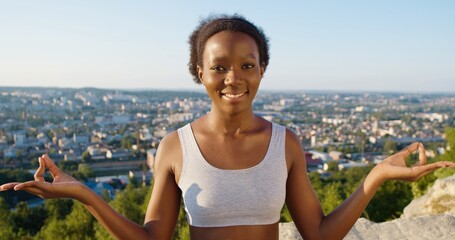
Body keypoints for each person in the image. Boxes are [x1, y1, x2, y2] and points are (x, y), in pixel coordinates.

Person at [1, 14, 454, 240]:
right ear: (199, 72)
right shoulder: (174, 147)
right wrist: (84, 192)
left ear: (262, 71)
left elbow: (316, 234)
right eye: (219, 67)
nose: (234, 78)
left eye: (247, 65)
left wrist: (374, 176)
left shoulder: (285, 143)